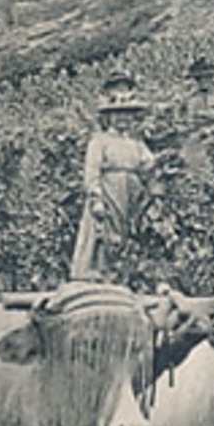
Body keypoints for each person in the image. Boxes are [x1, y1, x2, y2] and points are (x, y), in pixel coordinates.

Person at [69, 71, 156, 281]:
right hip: (109, 194)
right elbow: (92, 173)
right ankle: (96, 278)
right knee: (104, 238)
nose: (123, 119)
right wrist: (96, 199)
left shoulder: (136, 143)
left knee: (127, 238)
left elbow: (149, 165)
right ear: (108, 117)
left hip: (131, 196)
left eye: (127, 114)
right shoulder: (100, 141)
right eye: (118, 114)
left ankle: (123, 277)